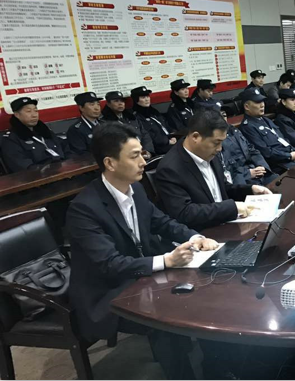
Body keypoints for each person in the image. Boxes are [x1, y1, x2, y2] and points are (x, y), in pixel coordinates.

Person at [66, 122, 220, 379]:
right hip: (109, 291)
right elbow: (110, 264)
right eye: (135, 156)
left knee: (203, 290)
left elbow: (163, 222)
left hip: (140, 276)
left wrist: (196, 237)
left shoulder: (135, 189)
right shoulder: (84, 209)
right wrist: (167, 260)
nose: (143, 162)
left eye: (143, 154)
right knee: (164, 316)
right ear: (110, 163)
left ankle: (217, 366)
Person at [155, 110, 271, 230]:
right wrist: (231, 208)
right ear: (195, 137)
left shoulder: (209, 153)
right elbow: (184, 213)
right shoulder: (170, 169)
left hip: (226, 224)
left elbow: (222, 188)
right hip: (202, 233)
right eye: (216, 143)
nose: (220, 148)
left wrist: (250, 190)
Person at [238, 87, 295, 173]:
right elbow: (266, 152)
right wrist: (289, 156)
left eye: (262, 101)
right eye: (258, 102)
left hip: (291, 157)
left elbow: (282, 138)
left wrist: (293, 151)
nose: (262, 105)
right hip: (280, 165)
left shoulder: (266, 120)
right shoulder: (247, 127)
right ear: (247, 106)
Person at [1, 97, 67, 173]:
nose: (34, 115)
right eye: (28, 111)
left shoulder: (45, 131)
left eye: (36, 111)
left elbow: (65, 148)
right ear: (17, 115)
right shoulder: (11, 139)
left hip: (63, 171)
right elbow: (24, 167)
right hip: (40, 176)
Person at [219, 109, 278, 186]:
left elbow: (252, 150)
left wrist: (262, 166)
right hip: (241, 180)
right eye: (218, 116)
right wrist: (248, 173)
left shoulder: (234, 131)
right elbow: (225, 169)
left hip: (256, 171)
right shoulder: (215, 142)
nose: (223, 118)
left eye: (224, 115)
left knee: (279, 181)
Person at [101, 90, 154, 157]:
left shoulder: (131, 117)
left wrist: (148, 151)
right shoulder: (105, 123)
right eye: (116, 101)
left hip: (143, 153)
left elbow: (144, 134)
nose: (120, 103)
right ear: (108, 104)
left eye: (122, 101)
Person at [131, 86, 177, 155]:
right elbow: (149, 136)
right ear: (136, 100)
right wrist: (167, 141)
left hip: (170, 141)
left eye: (147, 96)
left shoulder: (153, 112)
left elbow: (165, 125)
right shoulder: (137, 117)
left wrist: (173, 135)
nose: (147, 99)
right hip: (159, 148)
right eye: (143, 97)